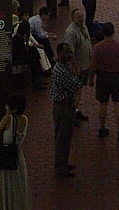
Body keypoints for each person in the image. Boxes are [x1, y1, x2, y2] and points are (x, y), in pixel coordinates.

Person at [87, 22, 119, 141]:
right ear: (113, 32)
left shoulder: (97, 47)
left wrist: (91, 79)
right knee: (117, 103)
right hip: (117, 77)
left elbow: (93, 65)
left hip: (103, 77)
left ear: (103, 33)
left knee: (103, 103)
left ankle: (102, 128)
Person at [0, 94, 32, 210]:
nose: (5, 107)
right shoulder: (25, 119)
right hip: (18, 158)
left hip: (5, 158)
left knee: (6, 188)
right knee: (18, 188)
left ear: (13, 108)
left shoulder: (8, 119)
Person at [49, 42, 81, 177]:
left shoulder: (64, 66)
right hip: (63, 106)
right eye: (67, 53)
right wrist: (77, 70)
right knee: (62, 136)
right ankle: (60, 166)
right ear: (59, 53)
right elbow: (75, 85)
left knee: (66, 135)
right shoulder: (61, 71)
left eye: (70, 52)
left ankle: (63, 162)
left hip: (65, 105)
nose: (69, 55)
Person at [62, 7, 92, 124]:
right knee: (75, 93)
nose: (81, 19)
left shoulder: (83, 27)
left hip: (84, 66)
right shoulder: (71, 33)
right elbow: (70, 53)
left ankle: (75, 110)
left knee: (79, 91)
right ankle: (71, 115)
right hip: (77, 68)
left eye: (82, 16)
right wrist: (76, 67)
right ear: (73, 19)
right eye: (78, 17)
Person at [13, 10, 46, 90]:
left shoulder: (19, 34)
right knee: (35, 55)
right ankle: (37, 79)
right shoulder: (16, 36)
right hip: (18, 55)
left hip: (23, 53)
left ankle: (38, 78)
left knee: (35, 53)